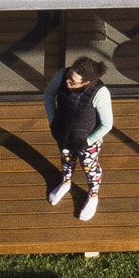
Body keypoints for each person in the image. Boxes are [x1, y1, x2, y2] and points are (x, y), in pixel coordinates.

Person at [43, 57, 113, 223]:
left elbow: (107, 124)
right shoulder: (61, 76)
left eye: (73, 81)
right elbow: (48, 95)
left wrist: (88, 141)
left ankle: (93, 196)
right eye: (69, 75)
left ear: (86, 82)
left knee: (90, 168)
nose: (68, 81)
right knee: (66, 160)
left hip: (87, 141)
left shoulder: (100, 93)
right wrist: (53, 120)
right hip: (63, 134)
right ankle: (66, 183)